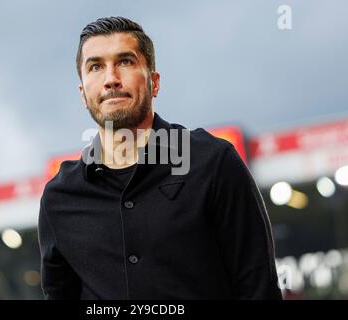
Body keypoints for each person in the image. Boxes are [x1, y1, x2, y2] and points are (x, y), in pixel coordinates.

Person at [38, 16, 282, 300]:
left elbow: (258, 288)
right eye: (96, 67)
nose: (111, 79)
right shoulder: (60, 199)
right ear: (83, 93)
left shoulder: (212, 163)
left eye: (125, 62)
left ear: (154, 82)